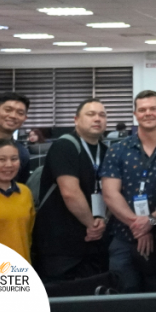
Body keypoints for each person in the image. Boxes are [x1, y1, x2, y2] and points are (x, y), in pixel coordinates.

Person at [100, 90, 156, 293]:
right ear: (135, 114)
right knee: (122, 301)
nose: (148, 113)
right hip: (124, 240)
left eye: (153, 108)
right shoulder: (117, 150)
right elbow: (110, 193)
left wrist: (151, 222)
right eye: (142, 109)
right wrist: (137, 225)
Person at [32, 98, 110, 283]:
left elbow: (111, 191)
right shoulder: (65, 146)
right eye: (90, 114)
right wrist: (92, 224)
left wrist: (103, 220)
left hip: (93, 245)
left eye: (102, 115)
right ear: (76, 120)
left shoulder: (106, 150)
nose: (97, 119)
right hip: (60, 246)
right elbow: (70, 192)